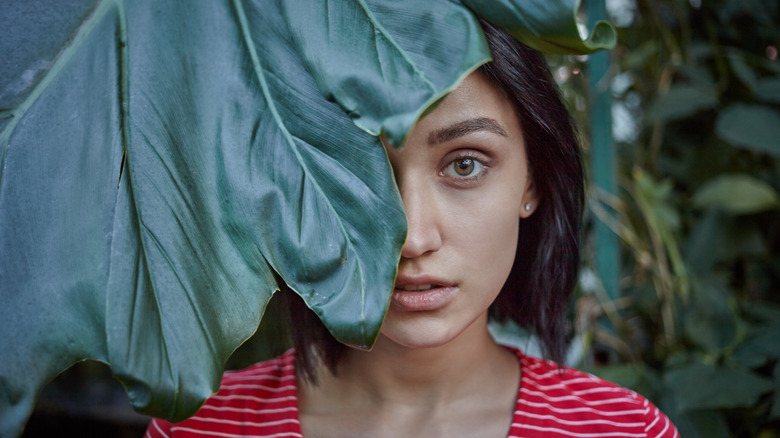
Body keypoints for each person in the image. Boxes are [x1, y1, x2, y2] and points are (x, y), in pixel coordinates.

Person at [145, 22, 678, 438]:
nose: (412, 236)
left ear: (532, 181)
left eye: (465, 164)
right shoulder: (197, 429)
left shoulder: (623, 431)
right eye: (358, 170)